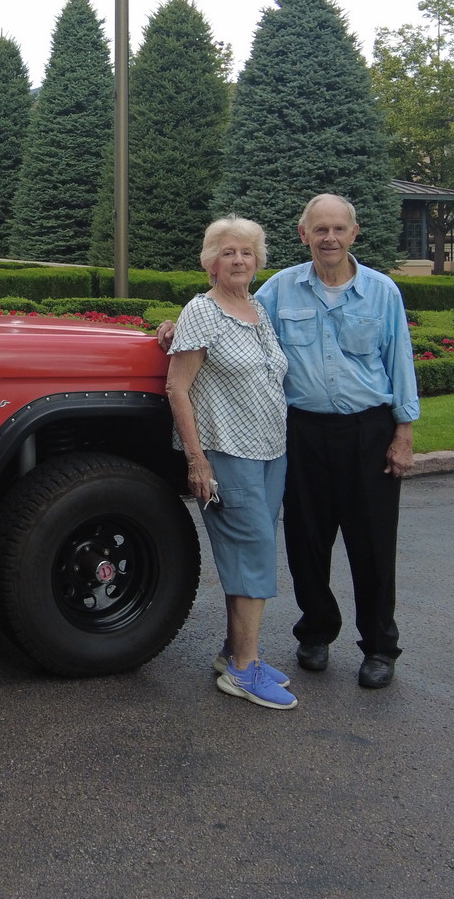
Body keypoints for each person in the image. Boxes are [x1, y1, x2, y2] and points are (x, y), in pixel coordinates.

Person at [160, 193, 419, 690]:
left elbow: (400, 363)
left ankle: (380, 647)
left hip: (368, 431)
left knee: (372, 544)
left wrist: (403, 432)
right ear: (304, 236)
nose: (330, 238)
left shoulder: (383, 292)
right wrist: (176, 325)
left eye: (339, 229)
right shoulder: (279, 290)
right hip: (300, 432)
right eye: (319, 229)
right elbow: (225, 309)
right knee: (306, 541)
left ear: (353, 234)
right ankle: (316, 633)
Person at [165, 217, 297, 710]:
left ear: (257, 260)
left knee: (251, 552)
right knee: (253, 554)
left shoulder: (257, 309)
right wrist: (197, 462)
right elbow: (177, 387)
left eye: (246, 252)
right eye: (228, 253)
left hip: (270, 451)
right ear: (211, 262)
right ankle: (244, 670)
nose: (239, 260)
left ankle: (232, 652)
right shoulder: (202, 311)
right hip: (227, 454)